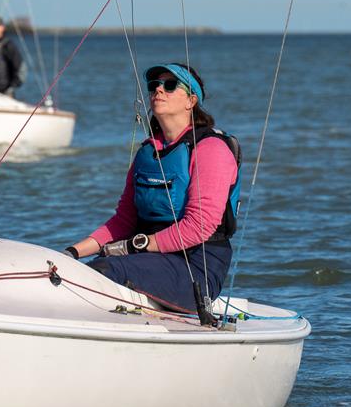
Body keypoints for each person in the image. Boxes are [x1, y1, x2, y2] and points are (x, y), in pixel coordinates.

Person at [64, 63, 240, 317]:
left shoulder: (211, 149)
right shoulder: (148, 152)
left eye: (169, 85)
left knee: (105, 270)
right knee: (79, 270)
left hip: (195, 268)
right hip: (145, 257)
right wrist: (71, 253)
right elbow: (123, 221)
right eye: (153, 85)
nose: (158, 90)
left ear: (191, 101)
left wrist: (137, 246)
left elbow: (200, 225)